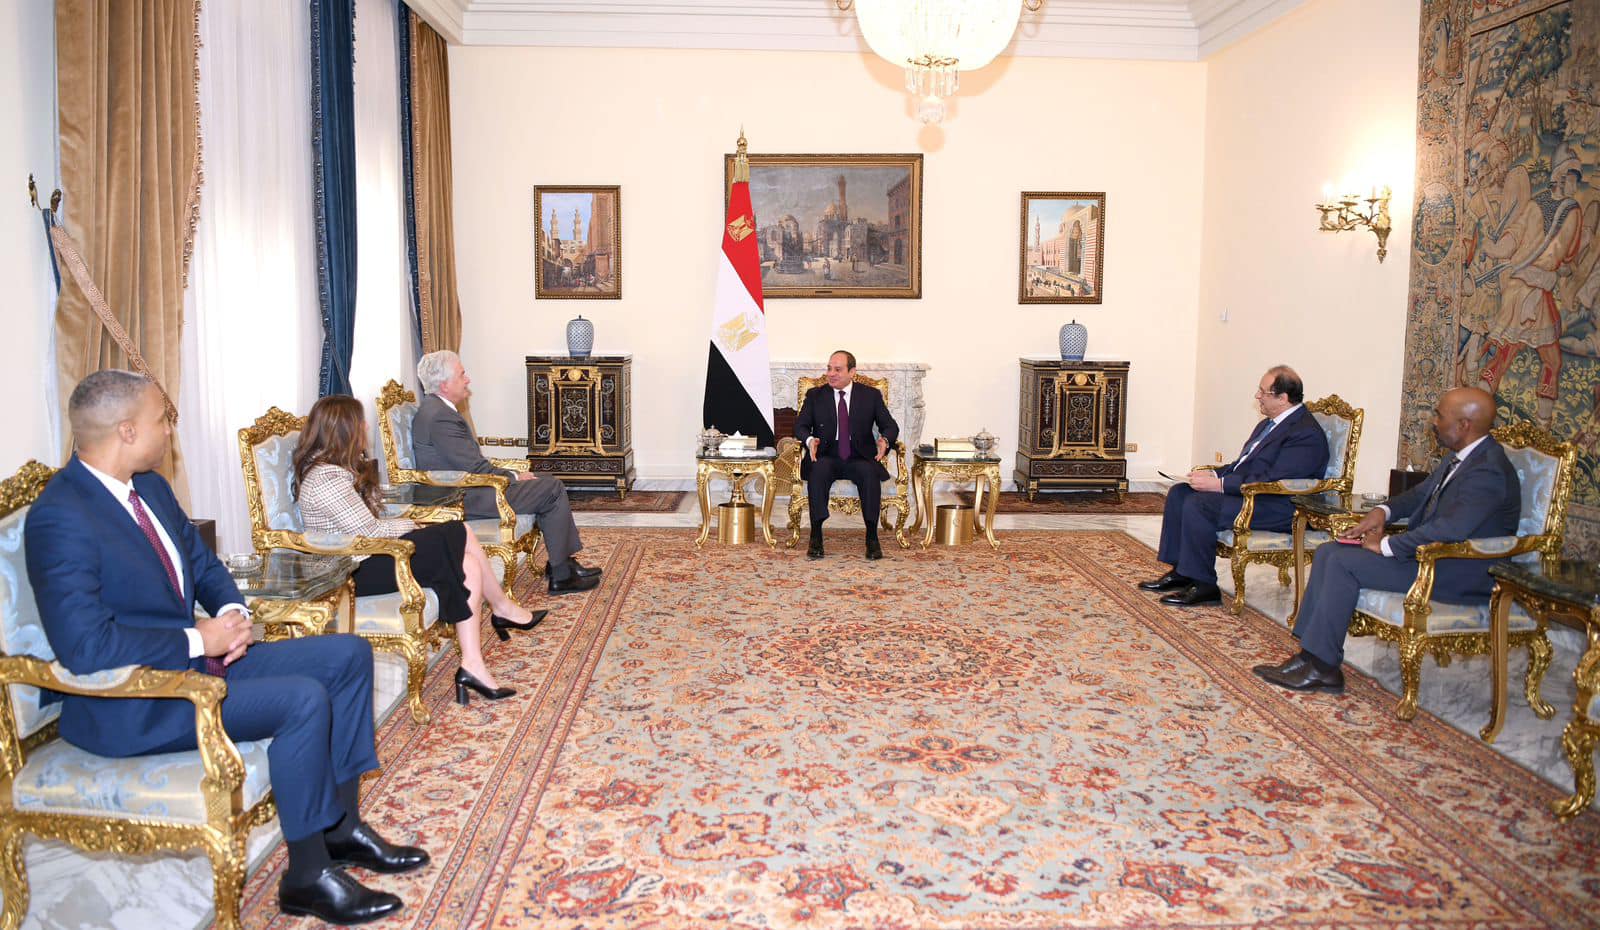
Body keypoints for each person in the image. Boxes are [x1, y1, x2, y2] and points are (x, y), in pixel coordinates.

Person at [24, 370, 425, 924]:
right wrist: (198, 637)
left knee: (348, 655)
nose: (170, 431)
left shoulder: (151, 489)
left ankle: (341, 828)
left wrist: (233, 614)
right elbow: (84, 647)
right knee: (303, 699)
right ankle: (307, 876)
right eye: (162, 420)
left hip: (197, 666)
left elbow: (204, 566)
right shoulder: (60, 515)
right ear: (126, 431)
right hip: (132, 702)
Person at [1254, 387, 1520, 694]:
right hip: (1433, 559)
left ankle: (1322, 668)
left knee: (1341, 562)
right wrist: (1383, 511)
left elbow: (1450, 529)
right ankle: (1309, 657)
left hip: (1458, 572)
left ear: (1464, 425)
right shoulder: (1461, 457)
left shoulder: (1488, 470)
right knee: (1328, 552)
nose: (1434, 422)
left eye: (1440, 416)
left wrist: (1385, 546)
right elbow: (1418, 495)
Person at [293, 395, 545, 704]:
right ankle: (502, 607)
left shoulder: (336, 470)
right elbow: (369, 532)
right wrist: (411, 524)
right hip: (353, 571)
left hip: (374, 554)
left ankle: (472, 664)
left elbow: (370, 525)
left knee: (468, 564)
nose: (366, 427)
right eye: (360, 422)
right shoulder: (325, 479)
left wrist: (406, 524)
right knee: (459, 531)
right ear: (344, 429)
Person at [411, 350, 600, 594]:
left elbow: (469, 463)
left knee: (545, 480)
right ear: (445, 385)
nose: (468, 379)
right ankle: (562, 575)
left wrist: (514, 474)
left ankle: (561, 564)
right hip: (467, 496)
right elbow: (475, 468)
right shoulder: (440, 417)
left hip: (468, 488)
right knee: (551, 488)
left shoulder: (436, 409)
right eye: (462, 374)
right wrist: (513, 476)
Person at [1139, 366, 1330, 607]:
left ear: (1283, 398)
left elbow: (1274, 480)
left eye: (1263, 392)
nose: (1257, 396)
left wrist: (1219, 485)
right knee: (1180, 492)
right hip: (1253, 496)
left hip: (1280, 506)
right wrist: (1213, 473)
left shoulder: (1305, 433)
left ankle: (1204, 585)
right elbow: (1244, 465)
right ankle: (1182, 573)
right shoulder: (1268, 424)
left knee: (1201, 504)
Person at [793, 349, 898, 560]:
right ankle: (816, 534)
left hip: (859, 455)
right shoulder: (815, 395)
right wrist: (810, 440)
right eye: (829, 368)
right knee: (817, 471)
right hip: (826, 454)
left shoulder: (870, 395)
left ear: (852, 372)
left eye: (838, 369)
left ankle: (871, 536)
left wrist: (885, 440)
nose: (831, 374)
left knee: (869, 474)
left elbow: (890, 426)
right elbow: (800, 426)